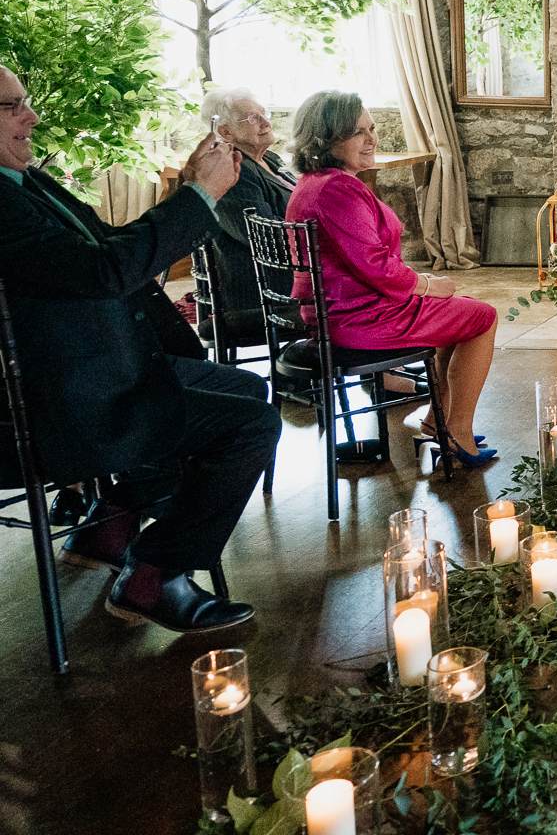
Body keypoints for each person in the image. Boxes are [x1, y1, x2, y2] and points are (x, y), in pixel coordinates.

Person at [0, 64, 276, 633]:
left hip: (99, 369)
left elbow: (106, 244)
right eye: (11, 108)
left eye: (25, 101)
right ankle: (152, 576)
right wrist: (199, 196)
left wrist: (186, 197)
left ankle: (110, 524)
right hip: (61, 403)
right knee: (250, 426)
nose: (31, 117)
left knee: (244, 387)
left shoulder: (21, 180)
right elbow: (102, 271)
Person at [283, 92, 498, 465]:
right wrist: (429, 284)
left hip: (344, 310)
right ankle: (457, 431)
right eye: (357, 133)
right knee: (482, 317)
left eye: (372, 128)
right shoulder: (336, 190)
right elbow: (376, 266)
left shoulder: (316, 182)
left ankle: (438, 419)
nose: (371, 139)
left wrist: (421, 281)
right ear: (326, 139)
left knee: (459, 311)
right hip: (358, 320)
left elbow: (364, 261)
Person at [198, 86, 296, 347]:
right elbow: (268, 240)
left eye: (265, 114)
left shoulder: (270, 160)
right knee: (362, 292)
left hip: (289, 277)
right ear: (225, 131)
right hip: (261, 292)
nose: (266, 123)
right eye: (253, 118)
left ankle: (384, 369)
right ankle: (380, 371)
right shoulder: (232, 171)